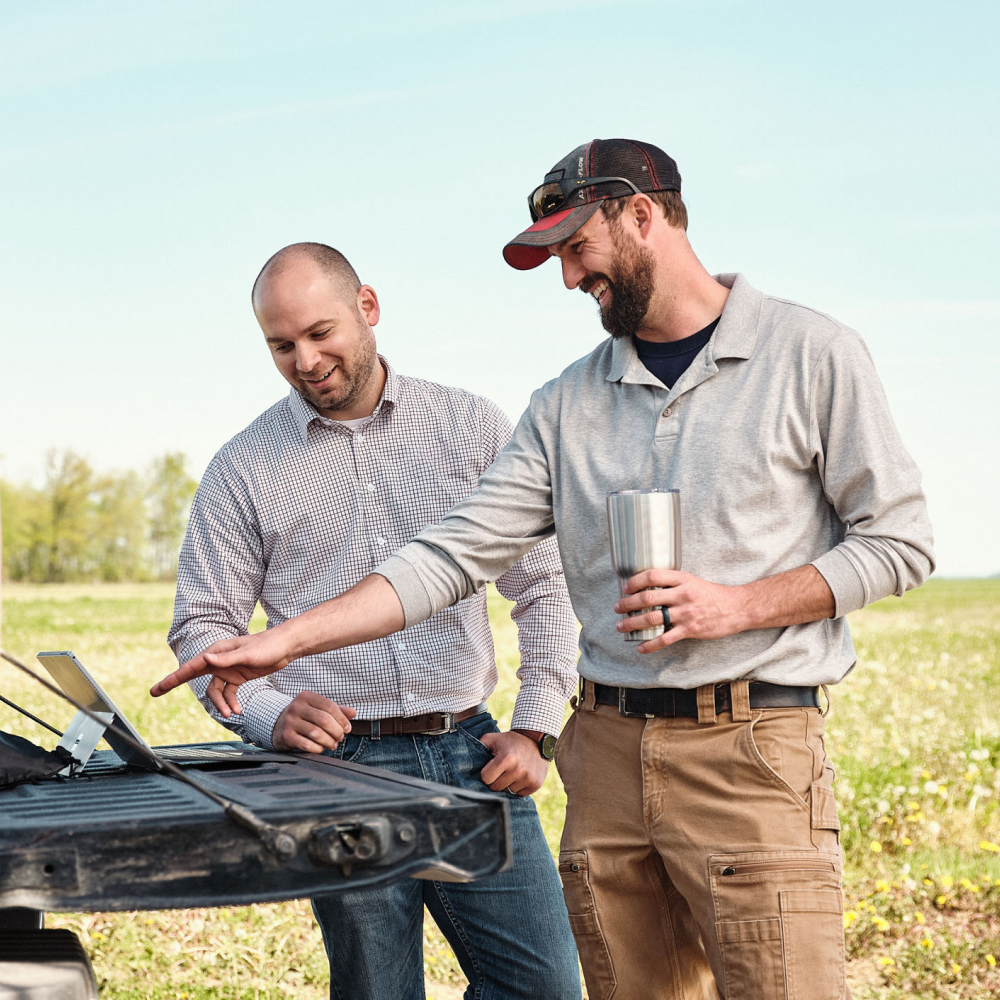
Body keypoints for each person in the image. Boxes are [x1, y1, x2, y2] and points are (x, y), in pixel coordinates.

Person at [155, 142, 935, 1000]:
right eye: (282, 344)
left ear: (641, 214)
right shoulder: (566, 403)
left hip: (744, 745)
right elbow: (450, 557)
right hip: (597, 757)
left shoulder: (811, 352)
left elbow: (899, 541)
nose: (567, 278)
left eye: (576, 249)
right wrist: (284, 650)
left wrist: (734, 608)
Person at [166, 242, 582, 1000]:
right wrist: (270, 713)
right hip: (335, 771)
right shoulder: (243, 467)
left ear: (368, 307)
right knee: (377, 992)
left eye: (320, 332)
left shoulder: (470, 426)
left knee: (544, 986)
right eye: (281, 345)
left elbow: (546, 584)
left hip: (470, 754)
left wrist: (537, 726)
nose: (305, 360)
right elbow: (202, 628)